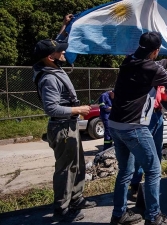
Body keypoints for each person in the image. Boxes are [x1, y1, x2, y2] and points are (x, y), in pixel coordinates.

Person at [108, 31, 167, 225]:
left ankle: (118, 214)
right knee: (154, 170)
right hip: (133, 126)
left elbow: (151, 65)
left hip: (115, 124)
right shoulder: (150, 68)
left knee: (125, 171)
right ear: (155, 51)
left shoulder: (129, 61)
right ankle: (154, 217)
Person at [32, 14, 97, 222]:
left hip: (68, 125)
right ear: (51, 57)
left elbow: (51, 45)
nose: (64, 52)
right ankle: (62, 210)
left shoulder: (48, 63)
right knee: (65, 170)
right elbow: (51, 108)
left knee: (77, 165)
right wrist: (78, 110)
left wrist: (65, 26)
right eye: (60, 50)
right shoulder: (49, 78)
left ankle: (76, 198)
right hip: (62, 128)